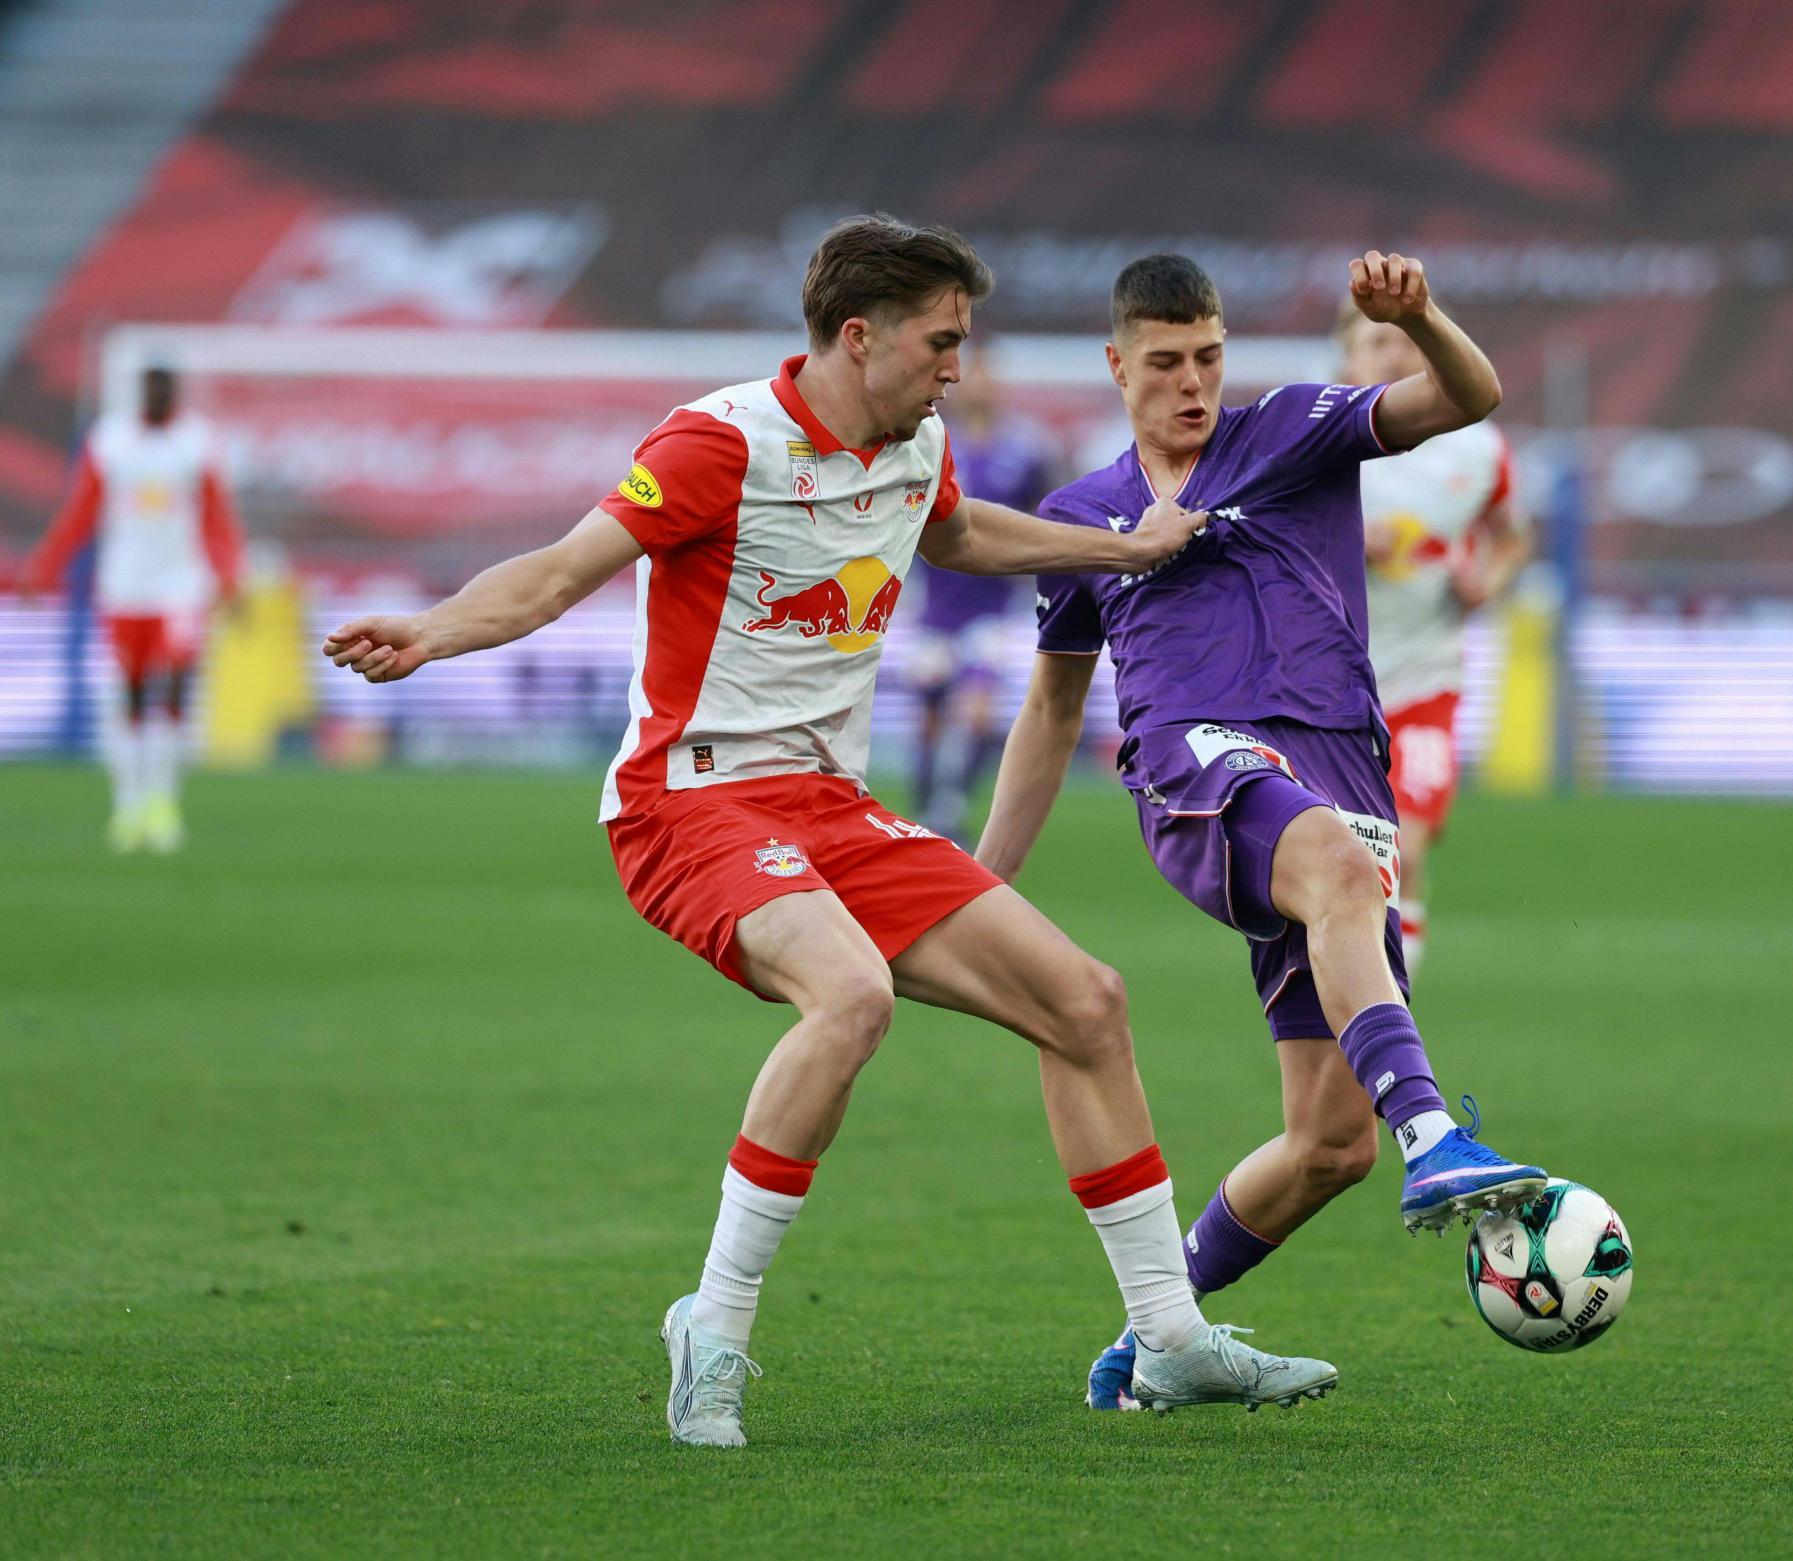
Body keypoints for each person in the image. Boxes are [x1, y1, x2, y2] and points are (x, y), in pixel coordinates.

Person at [323, 216, 1338, 1446]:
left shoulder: (917, 444)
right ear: (859, 338)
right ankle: (713, 1323)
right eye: (940, 343)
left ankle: (1168, 1339)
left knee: (1085, 1002)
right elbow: (557, 571)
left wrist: (1119, 551)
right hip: (688, 800)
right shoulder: (716, 442)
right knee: (850, 996)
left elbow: (957, 533)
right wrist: (431, 630)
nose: (957, 367)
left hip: (829, 806)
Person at [971, 251, 1549, 1411]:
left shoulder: (1293, 429)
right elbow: (1050, 709)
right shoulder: (1079, 518)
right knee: (1336, 871)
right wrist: (976, 885)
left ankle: (1153, 1341)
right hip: (1196, 765)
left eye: (1207, 357)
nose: (1190, 382)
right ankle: (1433, 1136)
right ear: (1116, 363)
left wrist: (1420, 316)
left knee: (1328, 1144)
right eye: (1165, 362)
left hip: (1339, 773)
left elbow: (1469, 396)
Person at [1344, 306, 1533, 980]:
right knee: (1345, 865)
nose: (1392, 355)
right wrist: (1341, 543)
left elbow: (1513, 535)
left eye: (1403, 340)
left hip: (1426, 681)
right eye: (1375, 342)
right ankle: (1347, 1000)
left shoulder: (1477, 448)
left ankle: (1392, 1004)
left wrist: (1487, 581)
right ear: (1347, 359)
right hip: (1330, 691)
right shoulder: (1317, 445)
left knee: (1405, 848)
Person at [23, 366, 242, 853]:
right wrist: (47, 565)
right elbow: (81, 510)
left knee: (176, 684)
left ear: (175, 393)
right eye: (151, 388)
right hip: (124, 585)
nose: (158, 396)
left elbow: (216, 515)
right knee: (130, 694)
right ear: (140, 393)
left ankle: (163, 799)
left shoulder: (196, 440)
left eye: (165, 388)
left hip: (181, 584)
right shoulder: (111, 441)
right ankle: (128, 802)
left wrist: (228, 574)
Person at [906, 350, 1050, 840]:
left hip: (991, 607)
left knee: (978, 711)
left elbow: (1043, 514)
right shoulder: (931, 441)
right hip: (934, 606)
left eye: (987, 378)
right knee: (929, 712)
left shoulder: (1024, 451)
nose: (979, 388)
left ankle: (951, 807)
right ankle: (925, 807)